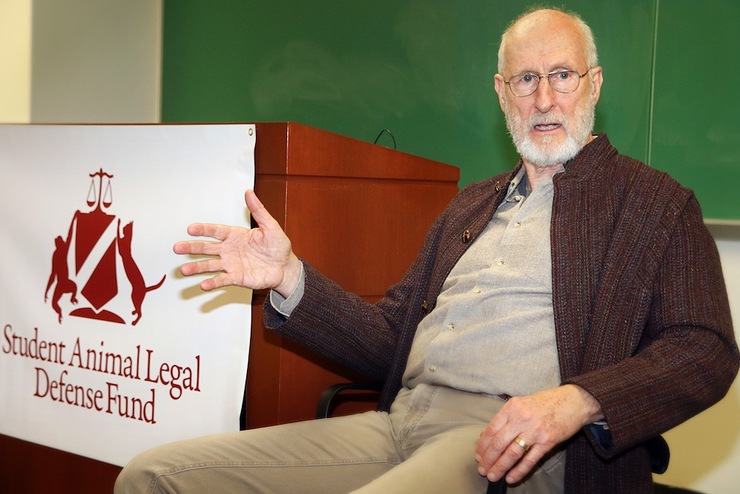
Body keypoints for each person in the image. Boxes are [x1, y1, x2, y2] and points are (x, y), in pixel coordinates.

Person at [115, 7, 739, 493]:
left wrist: (579, 400)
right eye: (525, 80)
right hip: (399, 422)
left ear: (593, 83)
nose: (544, 100)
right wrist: (288, 276)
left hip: (514, 446)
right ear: (501, 94)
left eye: (561, 76)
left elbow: (705, 349)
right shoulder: (469, 205)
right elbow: (390, 340)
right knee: (150, 478)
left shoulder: (655, 204)